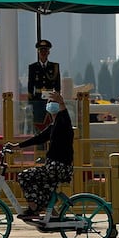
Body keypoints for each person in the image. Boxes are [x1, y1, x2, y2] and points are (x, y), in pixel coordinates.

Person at [8, 90, 73, 219]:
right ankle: (50, 212)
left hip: (59, 167)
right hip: (53, 167)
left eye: (53, 103)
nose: (51, 104)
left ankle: (34, 208)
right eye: (49, 102)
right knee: (40, 184)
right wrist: (17, 146)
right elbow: (38, 138)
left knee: (24, 176)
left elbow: (65, 116)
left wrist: (62, 103)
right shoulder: (53, 126)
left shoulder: (63, 122)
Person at [27, 39, 61, 129]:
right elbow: (30, 84)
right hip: (38, 99)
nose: (43, 53)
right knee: (38, 124)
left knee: (53, 124)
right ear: (38, 52)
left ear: (48, 52)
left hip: (50, 99)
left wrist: (56, 98)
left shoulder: (54, 67)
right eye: (41, 50)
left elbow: (57, 85)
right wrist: (31, 101)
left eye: (45, 50)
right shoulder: (33, 67)